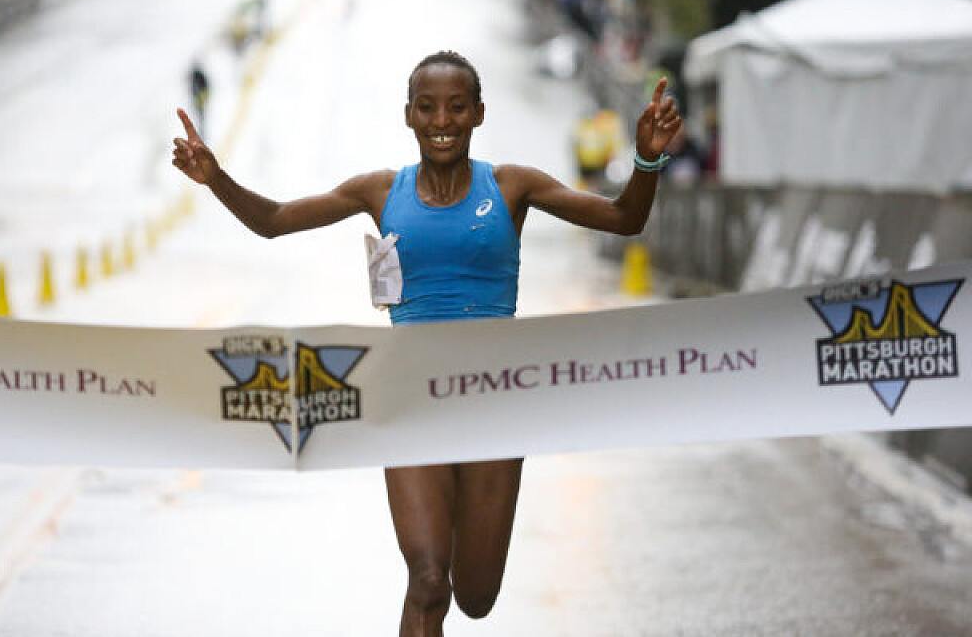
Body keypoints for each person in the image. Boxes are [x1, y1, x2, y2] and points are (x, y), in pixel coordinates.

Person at [171, 50, 680, 636]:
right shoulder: (380, 192)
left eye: (457, 107)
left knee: (477, 595)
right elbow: (276, 219)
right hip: (411, 400)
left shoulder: (511, 186)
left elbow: (624, 218)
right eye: (428, 107)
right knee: (430, 580)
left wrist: (646, 158)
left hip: (495, 404)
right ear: (408, 115)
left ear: (478, 114)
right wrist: (216, 179)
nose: (442, 121)